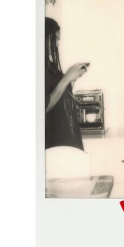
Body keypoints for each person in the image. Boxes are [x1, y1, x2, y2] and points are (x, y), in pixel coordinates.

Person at [45, 17, 88, 150]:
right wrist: (66, 78)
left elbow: (60, 96)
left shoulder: (50, 66)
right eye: (55, 39)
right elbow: (44, 106)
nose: (57, 45)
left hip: (67, 137)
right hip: (55, 143)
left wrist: (71, 79)